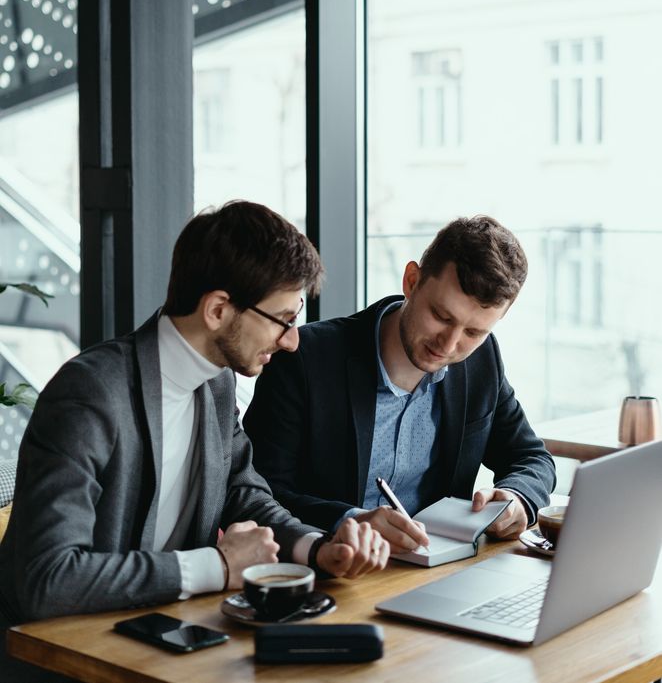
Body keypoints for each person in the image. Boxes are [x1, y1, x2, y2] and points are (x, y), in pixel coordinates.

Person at [0, 201, 389, 638]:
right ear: (218, 310)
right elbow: (46, 580)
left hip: (168, 636)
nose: (293, 341)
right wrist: (218, 565)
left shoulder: (216, 385)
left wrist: (319, 548)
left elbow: (244, 494)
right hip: (65, 654)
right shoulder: (91, 394)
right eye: (283, 320)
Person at [244, 215, 556, 555]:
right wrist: (349, 520)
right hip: (331, 570)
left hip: (439, 570)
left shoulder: (482, 361)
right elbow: (260, 491)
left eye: (473, 332)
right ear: (412, 281)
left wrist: (516, 499)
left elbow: (531, 457)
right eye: (441, 316)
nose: (449, 345)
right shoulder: (304, 360)